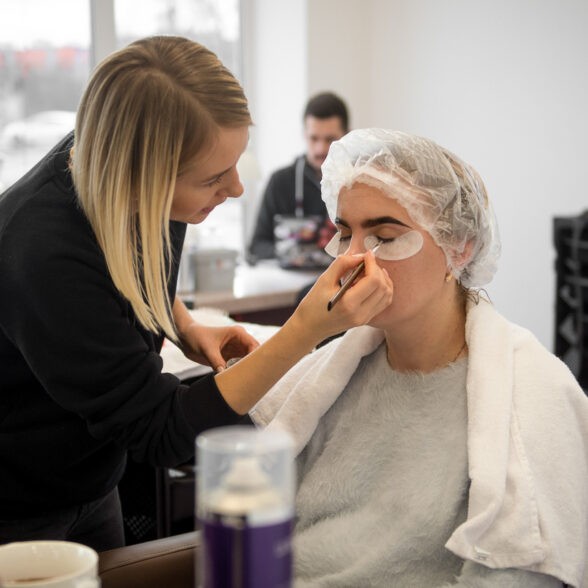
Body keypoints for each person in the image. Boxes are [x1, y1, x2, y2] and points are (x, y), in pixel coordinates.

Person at [0, 39, 394, 552]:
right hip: (19, 503)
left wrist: (183, 323)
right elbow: (161, 431)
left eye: (235, 163)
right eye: (213, 178)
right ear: (138, 179)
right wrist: (306, 329)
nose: (237, 189)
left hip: (93, 481)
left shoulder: (116, 162)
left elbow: (127, 269)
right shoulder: (41, 253)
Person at [251, 129, 588, 587]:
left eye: (385, 237)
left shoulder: (531, 392)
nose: (353, 260)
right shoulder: (331, 379)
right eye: (345, 234)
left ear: (459, 247)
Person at [247, 91, 349, 262]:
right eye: (313, 138)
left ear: (346, 136)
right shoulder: (280, 182)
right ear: (304, 134)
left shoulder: (359, 183)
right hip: (291, 278)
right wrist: (292, 252)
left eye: (330, 139)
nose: (320, 149)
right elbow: (257, 246)